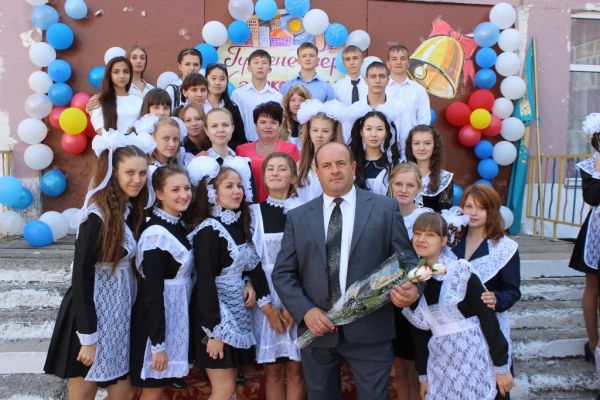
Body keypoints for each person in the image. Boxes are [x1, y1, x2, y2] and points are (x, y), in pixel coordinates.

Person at [272, 142, 420, 400]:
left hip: (371, 330)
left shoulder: (385, 208)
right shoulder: (298, 217)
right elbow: (283, 273)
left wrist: (413, 288)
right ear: (317, 172)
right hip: (317, 330)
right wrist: (306, 311)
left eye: (341, 163)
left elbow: (406, 261)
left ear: (353, 167)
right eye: (327, 165)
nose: (335, 170)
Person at [44, 131, 155, 400]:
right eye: (130, 173)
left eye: (142, 173)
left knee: (124, 392)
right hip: (90, 316)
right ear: (113, 174)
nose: (137, 179)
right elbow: (81, 279)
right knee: (84, 393)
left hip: (120, 313)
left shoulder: (131, 212)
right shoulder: (96, 217)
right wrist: (88, 337)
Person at [403, 212, 514, 400]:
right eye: (418, 234)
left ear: (444, 240)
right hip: (441, 366)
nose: (421, 239)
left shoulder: (460, 271)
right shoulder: (413, 279)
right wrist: (424, 376)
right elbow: (420, 334)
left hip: (476, 359)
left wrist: (501, 365)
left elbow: (487, 319)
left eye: (430, 235)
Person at [187, 158, 271, 400]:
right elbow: (205, 282)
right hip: (215, 318)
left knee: (229, 388)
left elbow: (242, 266)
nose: (237, 191)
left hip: (235, 312)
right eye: (229, 186)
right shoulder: (209, 230)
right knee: (223, 390)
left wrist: (248, 282)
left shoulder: (235, 223)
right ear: (213, 193)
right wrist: (213, 333)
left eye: (240, 186)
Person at [444, 184, 520, 400]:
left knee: (493, 390)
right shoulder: (450, 242)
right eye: (469, 206)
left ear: (491, 210)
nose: (473, 212)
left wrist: (497, 298)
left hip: (489, 330)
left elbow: (512, 290)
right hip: (456, 333)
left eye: (481, 207)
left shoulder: (505, 248)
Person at [130, 165, 193, 399]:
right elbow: (152, 293)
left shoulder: (177, 224)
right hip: (155, 325)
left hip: (175, 318)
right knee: (151, 391)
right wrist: (158, 344)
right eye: (175, 189)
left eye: (187, 188)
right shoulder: (156, 235)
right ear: (159, 194)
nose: (184, 195)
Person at [250, 153, 305, 400]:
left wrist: (295, 307)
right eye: (270, 169)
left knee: (296, 372)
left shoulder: (305, 212)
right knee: (272, 373)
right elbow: (251, 261)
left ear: (293, 177)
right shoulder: (254, 213)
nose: (274, 172)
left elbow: (310, 261)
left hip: (299, 296)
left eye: (282, 168)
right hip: (267, 298)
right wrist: (268, 308)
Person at [387, 162, 432, 400]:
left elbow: (433, 260)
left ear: (419, 188)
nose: (403, 190)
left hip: (418, 299)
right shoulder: (383, 213)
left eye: (410, 185)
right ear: (390, 185)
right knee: (399, 364)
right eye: (398, 184)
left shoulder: (425, 217)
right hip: (389, 298)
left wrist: (413, 283)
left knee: (417, 365)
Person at [569, 113, 600, 368]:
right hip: (597, 230)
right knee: (593, 286)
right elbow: (592, 198)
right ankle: (593, 343)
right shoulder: (589, 166)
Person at [236, 102, 300, 203]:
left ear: (279, 126)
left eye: (273, 122)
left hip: (283, 203)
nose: (268, 126)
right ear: (256, 126)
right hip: (251, 205)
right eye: (263, 122)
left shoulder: (291, 149)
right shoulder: (242, 150)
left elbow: (297, 181)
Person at [342, 62, 405, 151]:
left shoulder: (399, 108)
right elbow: (348, 142)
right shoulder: (353, 110)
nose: (377, 80)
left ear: (388, 80)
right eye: (373, 76)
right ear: (366, 80)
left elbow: (404, 141)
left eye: (382, 76)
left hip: (392, 158)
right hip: (361, 158)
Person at [295, 99, 345, 203]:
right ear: (309, 132)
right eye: (315, 130)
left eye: (325, 131)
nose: (319, 135)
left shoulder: (340, 166)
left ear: (332, 134)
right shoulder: (300, 166)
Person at [231, 49, 283, 142]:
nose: (260, 66)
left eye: (264, 63)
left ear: (269, 69)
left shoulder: (277, 97)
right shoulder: (238, 94)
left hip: (270, 144)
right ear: (249, 68)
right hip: (244, 143)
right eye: (256, 62)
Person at [385, 45, 431, 144]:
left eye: (402, 59)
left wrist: (417, 142)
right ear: (388, 64)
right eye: (394, 59)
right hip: (385, 146)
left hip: (411, 146)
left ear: (408, 63)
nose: (398, 62)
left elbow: (424, 120)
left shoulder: (419, 90)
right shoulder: (380, 88)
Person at [349, 110, 400, 195]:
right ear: (361, 132)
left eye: (379, 129)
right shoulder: (351, 163)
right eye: (369, 129)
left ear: (386, 133)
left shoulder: (394, 164)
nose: (374, 134)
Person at [405, 125, 453, 212]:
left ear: (435, 146)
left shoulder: (444, 179)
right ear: (410, 146)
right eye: (416, 143)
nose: (422, 148)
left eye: (427, 143)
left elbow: (443, 215)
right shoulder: (401, 174)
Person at [90, 56, 143, 135]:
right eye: (116, 72)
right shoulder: (99, 100)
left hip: (135, 142)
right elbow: (100, 130)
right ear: (109, 75)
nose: (122, 76)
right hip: (107, 141)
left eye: (126, 72)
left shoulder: (139, 101)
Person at [204, 63, 247, 150]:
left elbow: (240, 140)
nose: (217, 83)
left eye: (222, 79)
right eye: (213, 78)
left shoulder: (233, 108)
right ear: (205, 80)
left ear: (227, 82)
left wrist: (221, 149)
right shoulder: (198, 106)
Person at [280, 84, 311, 149]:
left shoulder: (311, 124)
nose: (297, 104)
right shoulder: (281, 123)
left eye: (301, 100)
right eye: (293, 100)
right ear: (287, 103)